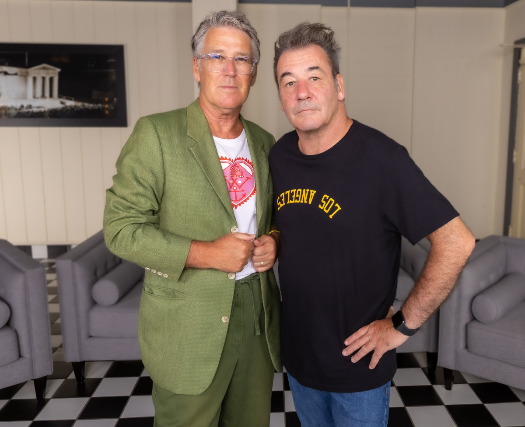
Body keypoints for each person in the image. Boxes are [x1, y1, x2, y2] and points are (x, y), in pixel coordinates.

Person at [269, 22, 475, 427]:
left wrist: (401, 326)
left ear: (339, 86)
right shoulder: (279, 157)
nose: (301, 92)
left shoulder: (382, 160)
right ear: (280, 97)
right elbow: (287, 229)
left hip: (358, 371)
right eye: (288, 82)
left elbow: (457, 242)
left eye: (314, 77)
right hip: (300, 363)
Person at [103, 11, 282, 427]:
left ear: (254, 73)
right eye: (217, 56)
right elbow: (121, 229)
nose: (230, 69)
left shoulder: (265, 143)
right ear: (196, 67)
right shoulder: (157, 135)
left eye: (242, 59)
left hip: (257, 316)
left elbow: (275, 218)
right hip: (187, 324)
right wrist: (207, 254)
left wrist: (274, 240)